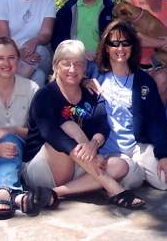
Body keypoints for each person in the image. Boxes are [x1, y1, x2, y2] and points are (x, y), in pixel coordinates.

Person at [22, 39, 146, 209]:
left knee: (120, 166)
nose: (72, 70)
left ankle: (55, 192)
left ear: (85, 68)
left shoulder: (90, 93)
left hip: (80, 161)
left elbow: (102, 126)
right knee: (68, 126)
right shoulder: (45, 95)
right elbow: (51, 134)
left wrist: (93, 145)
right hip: (44, 165)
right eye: (66, 64)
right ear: (55, 65)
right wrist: (90, 155)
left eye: (78, 64)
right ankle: (113, 188)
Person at [0, 37, 52, 219]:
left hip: (23, 153)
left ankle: (3, 193)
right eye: (0, 58)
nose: (6, 63)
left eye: (12, 57)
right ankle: (14, 195)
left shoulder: (32, 88)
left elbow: (37, 133)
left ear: (18, 59)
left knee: (11, 140)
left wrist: (12, 131)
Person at [94, 20, 167, 190]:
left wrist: (164, 155)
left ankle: (137, 169)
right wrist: (83, 82)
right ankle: (131, 172)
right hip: (108, 150)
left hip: (138, 147)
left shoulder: (143, 81)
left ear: (133, 47)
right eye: (115, 43)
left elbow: (156, 120)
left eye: (126, 43)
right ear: (106, 47)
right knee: (131, 178)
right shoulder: (96, 78)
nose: (120, 49)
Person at [51, 0, 115, 70]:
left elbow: (119, 44)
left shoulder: (113, 10)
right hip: (72, 65)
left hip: (103, 66)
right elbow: (57, 41)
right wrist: (79, 55)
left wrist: (100, 56)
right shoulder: (66, 10)